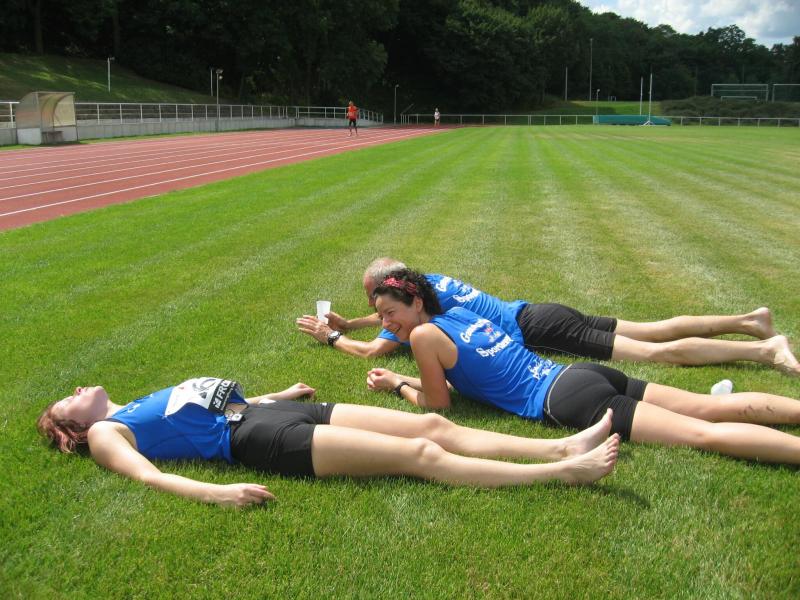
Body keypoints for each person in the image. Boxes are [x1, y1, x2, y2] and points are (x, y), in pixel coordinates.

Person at [365, 268, 800, 464]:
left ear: (416, 302)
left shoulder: (423, 337)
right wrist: (404, 376)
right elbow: (469, 372)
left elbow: (438, 403)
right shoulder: (457, 314)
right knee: (706, 407)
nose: (386, 324)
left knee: (703, 434)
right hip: (578, 374)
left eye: (389, 313)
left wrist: (398, 387)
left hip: (566, 399)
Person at [37, 377, 621, 507]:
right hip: (255, 439)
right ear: (74, 429)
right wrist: (215, 493)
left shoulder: (130, 405)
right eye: (68, 399)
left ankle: (559, 447)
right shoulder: (109, 433)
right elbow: (148, 475)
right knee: (421, 456)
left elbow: (201, 406)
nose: (78, 389)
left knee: (432, 426)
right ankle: (564, 472)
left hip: (267, 411)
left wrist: (279, 393)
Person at [296, 257, 799, 376]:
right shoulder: (427, 288)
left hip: (538, 329)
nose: (376, 309)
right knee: (652, 328)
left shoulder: (418, 314)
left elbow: (376, 349)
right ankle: (750, 320)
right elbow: (388, 324)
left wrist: (331, 337)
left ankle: (764, 349)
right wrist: (351, 323)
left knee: (654, 352)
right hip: (541, 312)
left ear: (398, 291)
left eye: (376, 299)